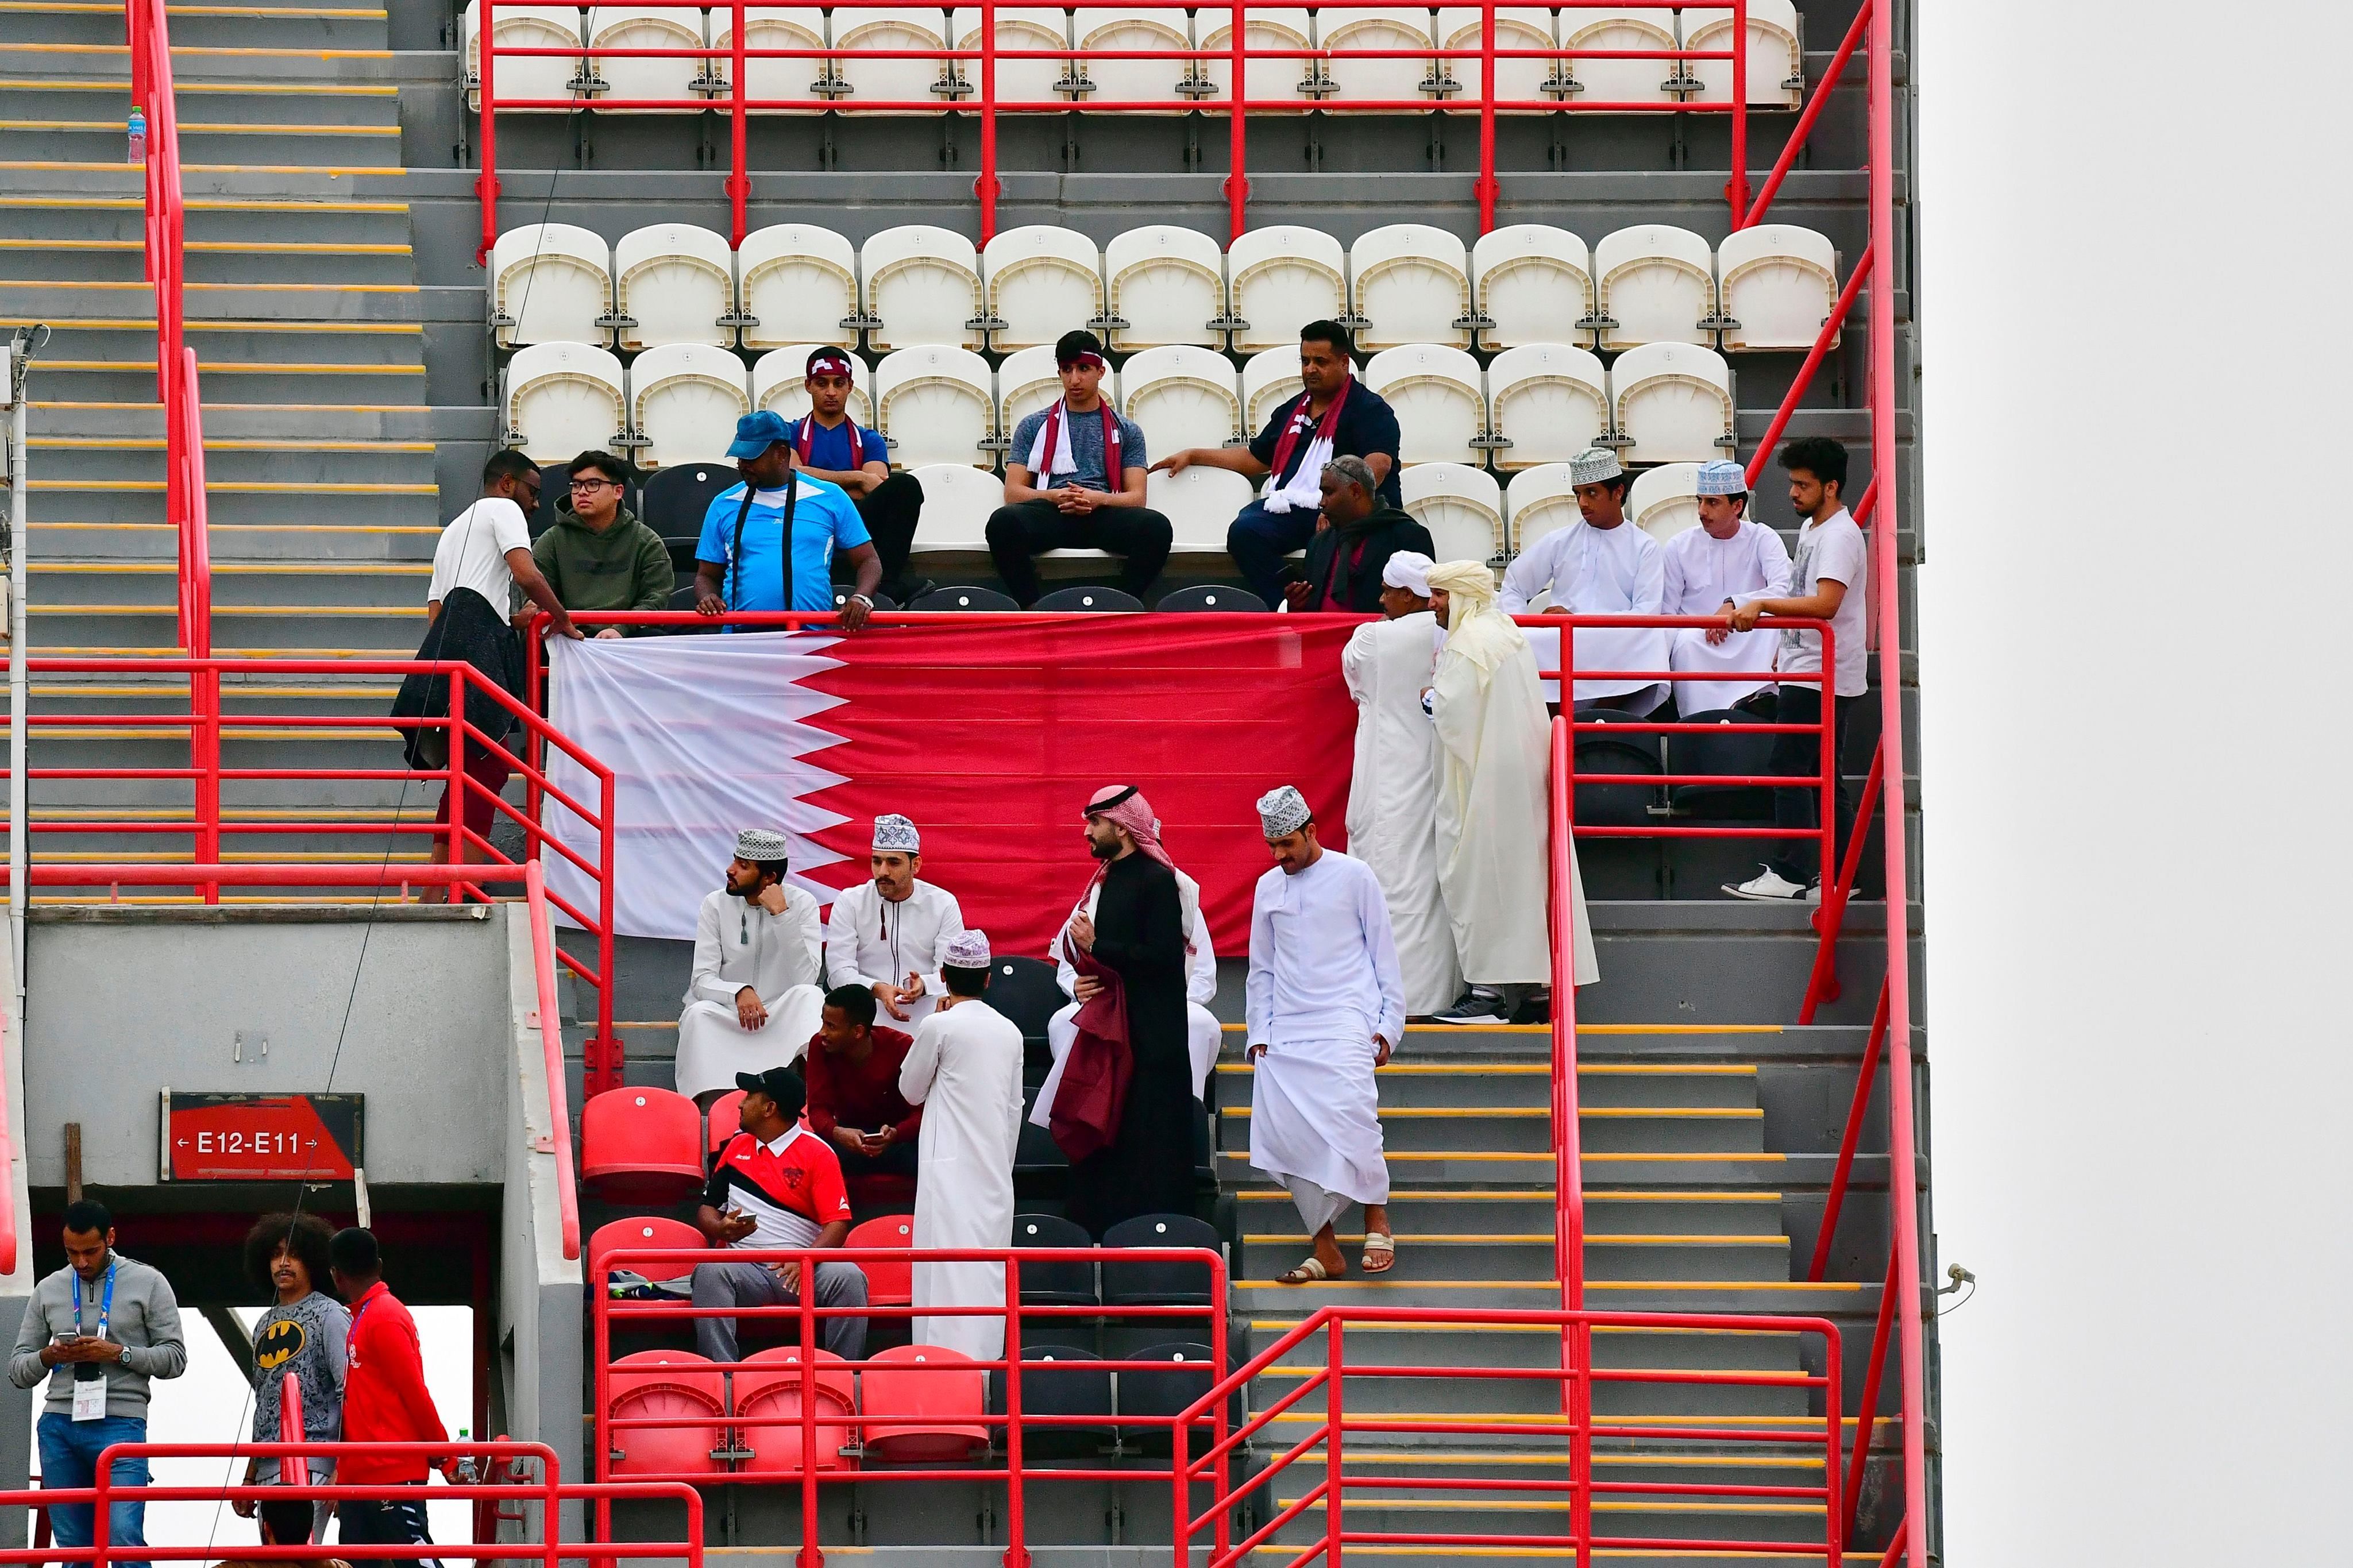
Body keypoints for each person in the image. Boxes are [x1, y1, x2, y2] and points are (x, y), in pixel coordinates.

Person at [1424, 560, 1599, 1025]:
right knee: (1527, 880)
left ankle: (1487, 993)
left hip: (1482, 777)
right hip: (1524, 775)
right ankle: (1537, 995)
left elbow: (1454, 718)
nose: (1433, 605)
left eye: (1440, 595)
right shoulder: (1507, 631)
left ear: (1461, 596)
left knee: (1478, 877)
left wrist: (1430, 698)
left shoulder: (1466, 644)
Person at [1245, 787, 1406, 1283]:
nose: (1279, 855)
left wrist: (1388, 1026)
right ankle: (1327, 1246)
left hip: (1345, 1019)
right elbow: (1261, 969)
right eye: (1272, 846)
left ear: (1312, 831)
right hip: (1288, 1030)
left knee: (1354, 1118)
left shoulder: (1355, 876)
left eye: (1287, 844)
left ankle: (1377, 1216)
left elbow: (1384, 955)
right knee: (1287, 1135)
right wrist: (1258, 1033)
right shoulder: (1267, 888)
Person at [411, 450, 581, 899]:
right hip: (475, 659)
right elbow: (525, 572)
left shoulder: (452, 529)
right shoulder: (503, 509)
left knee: (466, 773)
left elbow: (436, 612)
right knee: (488, 769)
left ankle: (435, 893)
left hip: (446, 655)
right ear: (507, 483)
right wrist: (560, 617)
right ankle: (462, 885)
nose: (537, 505)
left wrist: (508, 624)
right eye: (533, 492)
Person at [1151, 321, 1403, 608]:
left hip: (1350, 513)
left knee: (1332, 542)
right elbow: (1256, 459)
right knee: (1246, 530)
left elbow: (1377, 466)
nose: (1310, 369)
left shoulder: (1370, 409)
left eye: (1321, 362)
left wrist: (1336, 507)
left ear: (1345, 363)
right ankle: (1290, 601)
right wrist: (1194, 455)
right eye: (1305, 361)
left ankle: (1323, 606)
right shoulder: (1292, 409)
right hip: (1298, 508)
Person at [1724, 437, 1868, 902]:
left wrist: (1763, 604)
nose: (1792, 493)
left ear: (1831, 488)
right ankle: (1837, 880)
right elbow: (1811, 597)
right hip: (1807, 667)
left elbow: (1827, 604)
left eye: (1802, 485)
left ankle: (1791, 874)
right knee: (1823, 776)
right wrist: (1784, 648)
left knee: (1790, 770)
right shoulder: (1814, 531)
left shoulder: (1840, 537)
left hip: (1821, 675)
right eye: (1791, 483)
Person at [8, 1200, 186, 1568]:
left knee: (123, 1538)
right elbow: (18, 1370)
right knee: (75, 1547)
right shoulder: (49, 1288)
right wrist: (50, 1357)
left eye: (90, 1251)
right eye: (72, 1253)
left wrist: (117, 1353)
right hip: (59, 1424)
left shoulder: (149, 1282)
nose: (82, 1262)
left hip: (121, 1422)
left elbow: (175, 1359)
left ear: (111, 1238)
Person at [1060, 785, 1198, 1237]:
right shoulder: (1106, 879)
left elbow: (1161, 957)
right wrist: (1085, 967)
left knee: (1149, 1138)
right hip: (1114, 1030)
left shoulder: (1157, 881)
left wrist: (1097, 946)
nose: (1087, 832)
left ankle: (1156, 1239)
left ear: (1120, 827)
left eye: (1094, 823)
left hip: (1152, 1039)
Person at [1034, 831, 1221, 1126]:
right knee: (1063, 1021)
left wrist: (1158, 996)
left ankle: (1188, 1116)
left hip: (1163, 1005)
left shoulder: (1179, 900)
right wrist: (1075, 987)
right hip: (1102, 1002)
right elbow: (1068, 964)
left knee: (1200, 1023)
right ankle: (1082, 1116)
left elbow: (1203, 979)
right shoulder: (1096, 895)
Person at [1341, 550, 1460, 1017]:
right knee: (1431, 882)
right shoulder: (1456, 633)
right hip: (1437, 772)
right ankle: (1433, 996)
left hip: (1385, 773)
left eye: (1389, 591)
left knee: (1384, 880)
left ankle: (1389, 1000)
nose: (1381, 598)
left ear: (1411, 596)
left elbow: (1353, 674)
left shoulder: (1373, 638)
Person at [897, 929, 1025, 1359]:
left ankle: (942, 1383)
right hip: (993, 1174)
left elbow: (910, 1091)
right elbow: (1014, 1110)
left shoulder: (939, 1025)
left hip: (947, 1176)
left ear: (945, 977)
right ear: (988, 979)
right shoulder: (1010, 1031)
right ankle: (984, 1380)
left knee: (944, 1275)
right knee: (984, 1276)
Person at [984, 329, 1172, 606]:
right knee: (1003, 523)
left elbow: (1136, 498)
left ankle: (1120, 606)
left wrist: (1097, 499)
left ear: (1101, 371)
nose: (1074, 379)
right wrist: (1054, 496)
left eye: (1083, 369)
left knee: (1156, 527)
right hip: (1053, 510)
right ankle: (1034, 609)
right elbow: (1013, 492)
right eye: (1067, 369)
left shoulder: (1128, 430)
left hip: (1103, 512)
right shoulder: (1033, 425)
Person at [693, 1067, 868, 1361]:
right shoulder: (735, 1147)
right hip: (747, 1269)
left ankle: (841, 1374)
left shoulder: (819, 1153)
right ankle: (721, 1378)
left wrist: (806, 1261)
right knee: (710, 1274)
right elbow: (707, 1209)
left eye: (749, 1097)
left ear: (769, 1109)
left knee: (850, 1277)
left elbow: (838, 1223)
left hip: (805, 1270)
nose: (740, 1103)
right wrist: (721, 1229)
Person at [1498, 448, 1668, 713]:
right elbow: (1514, 585)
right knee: (1517, 642)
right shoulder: (1560, 540)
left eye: (1592, 493)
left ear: (1618, 492)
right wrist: (1520, 627)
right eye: (1578, 494)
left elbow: (1646, 612)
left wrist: (1582, 620)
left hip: (1614, 641)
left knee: (1654, 641)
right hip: (1560, 639)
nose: (1583, 503)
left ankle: (1596, 719)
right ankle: (1558, 721)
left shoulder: (1645, 547)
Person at [329, 1227, 455, 1568]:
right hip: (360, 1479)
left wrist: (445, 1457)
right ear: (379, 1266)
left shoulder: (384, 1315)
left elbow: (414, 1392)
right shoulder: (366, 1315)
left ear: (336, 1276)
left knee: (418, 1563)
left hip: (393, 1474)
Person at [675, 828, 826, 1110]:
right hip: (729, 1014)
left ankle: (812, 1107)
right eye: (735, 861)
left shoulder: (802, 904)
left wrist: (782, 916)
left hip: (778, 1016)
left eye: (743, 866)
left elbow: (805, 978)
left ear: (769, 878)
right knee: (697, 1015)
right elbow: (702, 979)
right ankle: (698, 1113)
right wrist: (738, 992)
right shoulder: (715, 904)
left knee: (811, 997)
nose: (730, 870)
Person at [695, 410, 882, 628]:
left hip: (810, 639)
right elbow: (706, 575)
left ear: (782, 454)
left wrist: (862, 597)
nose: (743, 464)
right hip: (741, 641)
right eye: (740, 457)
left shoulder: (830, 497)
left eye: (752, 457)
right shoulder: (723, 503)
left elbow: (869, 561)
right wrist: (707, 597)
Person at [782, 347, 930, 604]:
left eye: (839, 384)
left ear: (850, 386)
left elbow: (876, 486)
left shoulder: (869, 439)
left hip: (857, 522)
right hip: (807, 519)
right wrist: (858, 479)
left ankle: (887, 583)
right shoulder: (790, 432)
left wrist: (816, 479)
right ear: (808, 386)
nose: (831, 392)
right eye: (822, 383)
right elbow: (791, 476)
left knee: (905, 486)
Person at [236, 1213, 347, 1551]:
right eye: (275, 1254)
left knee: (304, 1557)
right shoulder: (263, 1324)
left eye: (294, 1254)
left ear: (313, 1260)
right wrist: (250, 1475)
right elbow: (264, 1403)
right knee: (276, 1560)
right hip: (268, 1463)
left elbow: (350, 1392)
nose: (283, 1263)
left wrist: (345, 1467)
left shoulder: (331, 1314)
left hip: (315, 1459)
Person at [1660, 459, 1792, 715]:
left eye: (1712, 502)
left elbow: (1785, 588)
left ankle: (1757, 700)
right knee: (1686, 643)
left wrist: (1734, 605)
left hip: (1750, 633)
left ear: (1737, 506)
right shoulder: (1679, 546)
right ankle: (1699, 724)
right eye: (1699, 501)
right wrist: (1703, 623)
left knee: (1775, 631)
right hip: (1699, 639)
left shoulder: (1762, 538)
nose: (1701, 510)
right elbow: (1667, 613)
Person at [823, 814, 966, 1029]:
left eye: (893, 862)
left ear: (915, 865)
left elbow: (951, 973)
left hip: (926, 1011)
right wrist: (877, 988)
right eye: (877, 861)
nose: (882, 872)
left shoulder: (942, 904)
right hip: (864, 1011)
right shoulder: (851, 901)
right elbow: (838, 972)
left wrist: (924, 985)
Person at [529, 449, 674, 638]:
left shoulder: (646, 542)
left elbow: (656, 598)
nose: (582, 492)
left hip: (627, 637)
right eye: (576, 485)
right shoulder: (552, 541)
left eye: (593, 484)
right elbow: (538, 599)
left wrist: (620, 629)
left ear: (618, 491)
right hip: (567, 637)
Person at [1277, 456, 1434, 612]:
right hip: (1325, 635)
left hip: (1382, 635)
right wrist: (1297, 605)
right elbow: (1310, 612)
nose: (1322, 502)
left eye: (1329, 492)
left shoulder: (1408, 537)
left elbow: (1423, 607)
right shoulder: (1320, 542)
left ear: (1355, 491)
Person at [802, 983, 922, 1183]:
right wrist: (838, 1133)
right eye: (823, 1023)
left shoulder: (901, 1046)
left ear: (858, 1031)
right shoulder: (819, 1046)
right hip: (846, 1136)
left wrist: (896, 1134)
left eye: (831, 1026)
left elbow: (922, 1112)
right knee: (812, 1155)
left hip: (899, 1139)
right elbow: (817, 1110)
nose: (822, 1033)